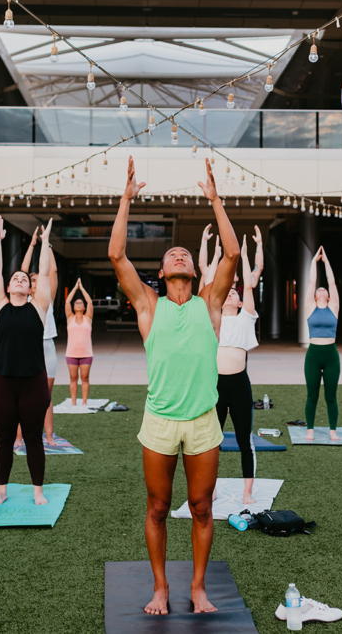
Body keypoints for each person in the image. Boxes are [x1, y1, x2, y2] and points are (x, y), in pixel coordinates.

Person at [109, 156, 238, 615]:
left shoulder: (211, 302)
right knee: (158, 506)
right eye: (170, 255)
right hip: (160, 421)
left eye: (184, 254)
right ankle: (161, 587)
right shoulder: (148, 305)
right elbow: (117, 256)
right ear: (162, 274)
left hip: (203, 420)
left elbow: (232, 255)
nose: (179, 254)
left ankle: (198, 587)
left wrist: (216, 201)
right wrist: (125, 200)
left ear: (195, 271)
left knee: (202, 507)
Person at [0, 216, 54, 506]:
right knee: (3, 439)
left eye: (24, 279)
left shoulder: (38, 308)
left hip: (33, 382)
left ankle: (37, 491)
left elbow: (46, 274)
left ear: (30, 289)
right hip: (2, 381)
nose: (19, 279)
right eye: (16, 277)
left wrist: (46, 242)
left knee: (33, 438)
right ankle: (1, 490)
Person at [208, 227, 263, 505]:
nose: (229, 293)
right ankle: (212, 489)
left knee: (244, 440)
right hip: (215, 385)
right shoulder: (214, 318)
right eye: (227, 291)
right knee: (211, 442)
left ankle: (247, 493)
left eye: (234, 292)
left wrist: (246, 253)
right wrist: (215, 254)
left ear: (241, 300)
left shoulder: (246, 318)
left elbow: (252, 280)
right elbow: (208, 281)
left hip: (240, 384)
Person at [21, 228, 59, 446]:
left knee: (46, 395)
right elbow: (22, 271)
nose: (34, 283)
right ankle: (20, 436)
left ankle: (50, 436)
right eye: (31, 281)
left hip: (47, 347)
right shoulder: (21, 301)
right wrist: (33, 245)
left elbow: (52, 272)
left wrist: (48, 244)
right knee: (24, 395)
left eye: (36, 280)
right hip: (27, 349)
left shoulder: (48, 300)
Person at [304, 246, 341, 441]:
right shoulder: (309, 307)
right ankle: (310, 429)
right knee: (312, 395)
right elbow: (311, 281)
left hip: (331, 355)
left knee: (331, 396)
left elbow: (332, 282)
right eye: (318, 289)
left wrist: (326, 262)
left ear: (327, 296)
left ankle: (332, 430)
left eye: (323, 289)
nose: (321, 289)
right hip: (313, 354)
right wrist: (313, 262)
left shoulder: (334, 307)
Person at [64, 278, 94, 406]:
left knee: (85, 378)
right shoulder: (70, 318)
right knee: (73, 378)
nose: (78, 304)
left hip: (86, 354)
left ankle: (84, 402)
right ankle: (74, 402)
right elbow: (67, 301)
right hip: (71, 354)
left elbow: (90, 302)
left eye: (80, 302)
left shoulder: (88, 318)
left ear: (84, 306)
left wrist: (82, 288)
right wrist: (75, 288)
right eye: (76, 302)